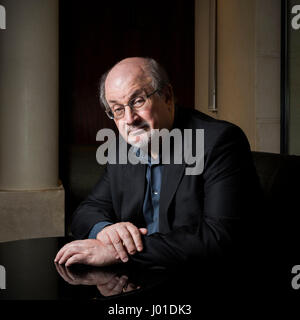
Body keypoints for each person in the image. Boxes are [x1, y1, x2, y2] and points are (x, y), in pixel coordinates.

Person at [55, 57, 259, 269]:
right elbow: (87, 211)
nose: (129, 118)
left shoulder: (219, 142)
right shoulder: (121, 149)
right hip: (140, 280)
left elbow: (220, 238)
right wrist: (106, 230)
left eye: (137, 101)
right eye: (117, 109)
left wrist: (118, 252)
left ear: (167, 96)